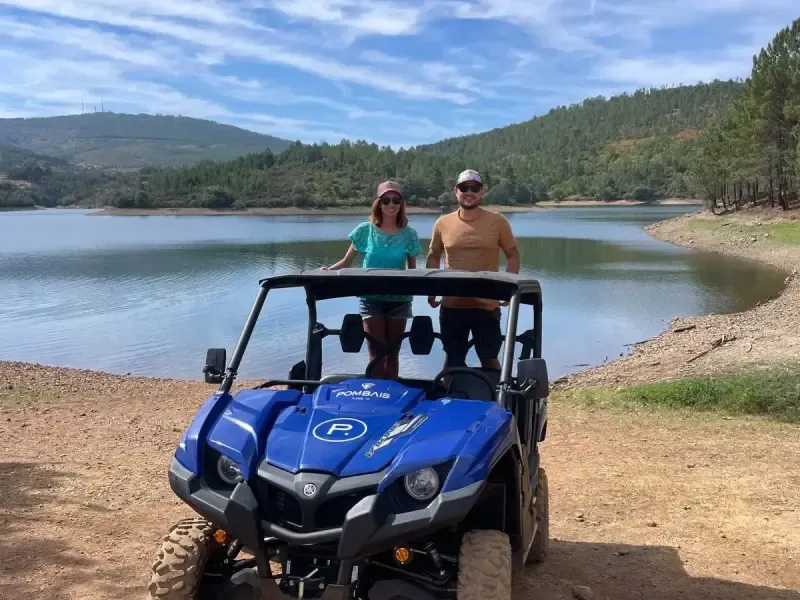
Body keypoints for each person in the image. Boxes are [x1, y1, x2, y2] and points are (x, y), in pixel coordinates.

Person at [320, 181, 422, 379]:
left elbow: (412, 270)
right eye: (386, 200)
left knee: (392, 352)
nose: (391, 204)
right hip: (371, 299)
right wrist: (328, 270)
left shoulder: (409, 234)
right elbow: (346, 261)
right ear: (379, 203)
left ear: (401, 204)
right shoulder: (364, 230)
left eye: (396, 200)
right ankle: (375, 394)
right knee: (376, 353)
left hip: (399, 300)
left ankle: (392, 395)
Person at [426, 169, 520, 370]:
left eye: (474, 188)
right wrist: (431, 290)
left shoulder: (498, 221)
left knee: (489, 358)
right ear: (456, 191)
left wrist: (509, 288)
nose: (469, 192)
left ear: (482, 192)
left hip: (486, 306)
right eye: (464, 188)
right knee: (452, 359)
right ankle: (448, 398)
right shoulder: (442, 222)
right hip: (452, 304)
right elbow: (434, 255)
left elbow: (512, 255)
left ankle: (497, 399)